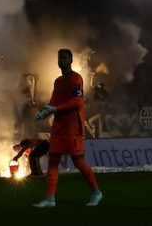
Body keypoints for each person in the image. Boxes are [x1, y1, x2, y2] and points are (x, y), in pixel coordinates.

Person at [32, 49, 103, 208]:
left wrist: (55, 109)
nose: (61, 60)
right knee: (52, 162)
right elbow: (53, 102)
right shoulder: (58, 81)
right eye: (59, 58)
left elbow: (77, 102)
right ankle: (50, 199)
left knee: (78, 162)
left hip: (72, 128)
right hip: (58, 128)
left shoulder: (76, 78)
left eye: (64, 58)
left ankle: (96, 192)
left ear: (70, 60)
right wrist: (44, 112)